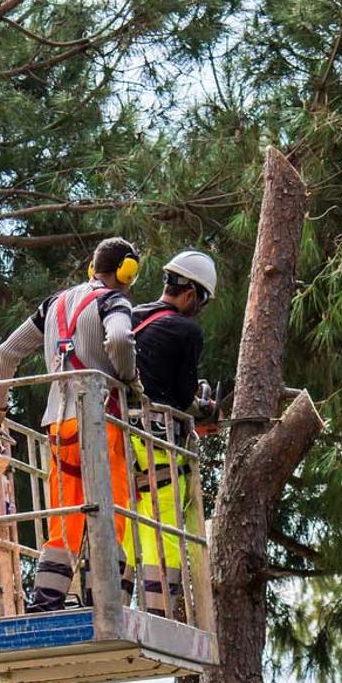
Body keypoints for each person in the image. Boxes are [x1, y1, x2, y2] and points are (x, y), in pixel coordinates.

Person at [0, 237, 139, 612]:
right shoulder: (113, 300)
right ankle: (104, 599)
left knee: (65, 513)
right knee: (111, 506)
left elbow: (7, 352)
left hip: (57, 423)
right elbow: (120, 338)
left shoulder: (53, 304)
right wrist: (129, 378)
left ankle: (48, 598)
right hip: (102, 419)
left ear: (92, 266)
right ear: (127, 272)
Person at [121, 250, 217, 614]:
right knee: (164, 522)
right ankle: (159, 609)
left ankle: (112, 598)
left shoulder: (130, 316)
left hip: (118, 434)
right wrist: (205, 410)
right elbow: (180, 395)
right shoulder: (186, 330)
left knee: (126, 517)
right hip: (156, 439)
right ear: (192, 294)